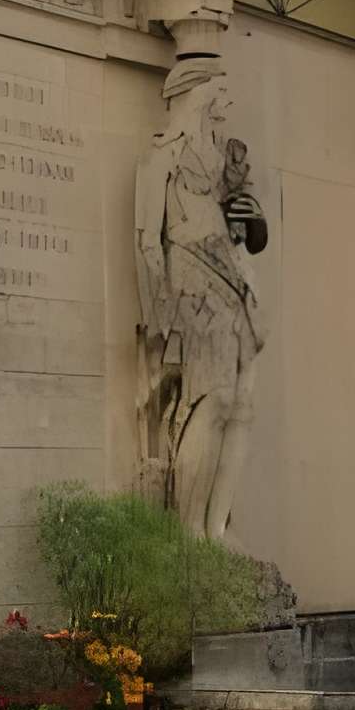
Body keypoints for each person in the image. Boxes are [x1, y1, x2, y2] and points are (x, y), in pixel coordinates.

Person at [135, 56, 267, 538]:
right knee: (210, 402)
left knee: (241, 407)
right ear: (198, 94)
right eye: (220, 93)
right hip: (190, 284)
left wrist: (248, 218)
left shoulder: (224, 166)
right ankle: (190, 536)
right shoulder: (161, 159)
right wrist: (159, 319)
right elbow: (147, 240)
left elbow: (251, 234)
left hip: (233, 286)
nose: (227, 104)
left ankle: (215, 534)